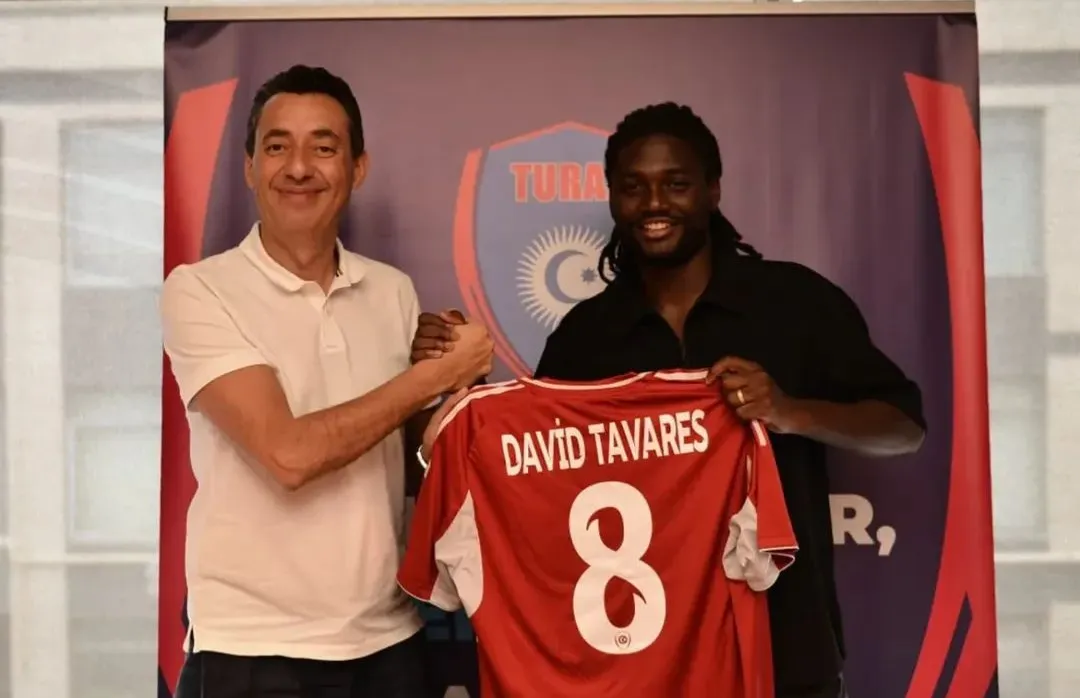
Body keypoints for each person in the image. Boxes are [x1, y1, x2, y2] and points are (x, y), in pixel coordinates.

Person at [410, 102, 926, 698]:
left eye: (676, 184)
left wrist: (788, 411)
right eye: (634, 187)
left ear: (713, 190)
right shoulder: (587, 336)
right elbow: (538, 486)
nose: (654, 204)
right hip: (640, 664)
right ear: (613, 198)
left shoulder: (795, 303)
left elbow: (904, 427)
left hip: (783, 648)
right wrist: (452, 387)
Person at [161, 64, 494, 698]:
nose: (298, 167)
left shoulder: (392, 291)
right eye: (276, 146)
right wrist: (433, 376)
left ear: (357, 168)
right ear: (249, 167)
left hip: (389, 642)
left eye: (323, 147)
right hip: (250, 649)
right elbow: (288, 455)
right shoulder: (199, 290)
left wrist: (457, 390)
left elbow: (408, 466)